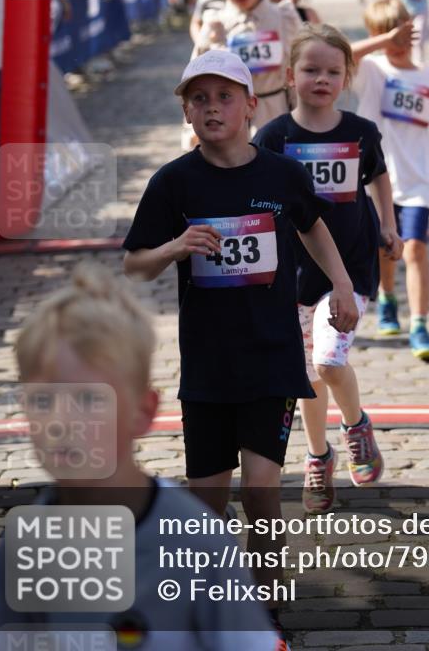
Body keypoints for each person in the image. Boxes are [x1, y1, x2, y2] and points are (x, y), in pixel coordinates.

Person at [124, 49, 358, 648]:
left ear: (251, 105)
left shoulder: (280, 174)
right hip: (206, 366)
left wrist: (341, 284)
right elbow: (133, 264)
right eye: (198, 98)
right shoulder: (173, 182)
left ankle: (266, 617)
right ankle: (204, 617)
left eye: (224, 96)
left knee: (261, 497)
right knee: (205, 510)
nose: (211, 107)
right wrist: (175, 246)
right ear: (185, 111)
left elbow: (312, 225)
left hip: (271, 358)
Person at [0, 262, 278, 651]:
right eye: (43, 400)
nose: (61, 422)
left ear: (143, 411)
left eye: (88, 399)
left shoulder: (196, 541)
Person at [254, 25, 403, 513]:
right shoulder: (275, 137)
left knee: (329, 360)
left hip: (352, 266)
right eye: (311, 69)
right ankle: (318, 459)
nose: (322, 79)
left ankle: (357, 426)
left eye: (333, 71)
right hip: (292, 275)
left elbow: (379, 176)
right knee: (306, 378)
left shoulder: (361, 132)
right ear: (289, 75)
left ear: (347, 76)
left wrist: (389, 225)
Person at [351, 0, 429, 358]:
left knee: (414, 248)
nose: (397, 38)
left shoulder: (428, 77)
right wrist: (383, 41)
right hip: (375, 179)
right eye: (386, 32)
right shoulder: (371, 69)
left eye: (402, 30)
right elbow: (342, 55)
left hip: (417, 181)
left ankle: (420, 324)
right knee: (386, 246)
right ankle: (387, 297)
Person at [189, 0, 301, 135]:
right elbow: (195, 84)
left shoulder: (284, 17)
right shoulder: (215, 24)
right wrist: (193, 133)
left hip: (279, 118)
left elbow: (300, 73)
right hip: (229, 126)